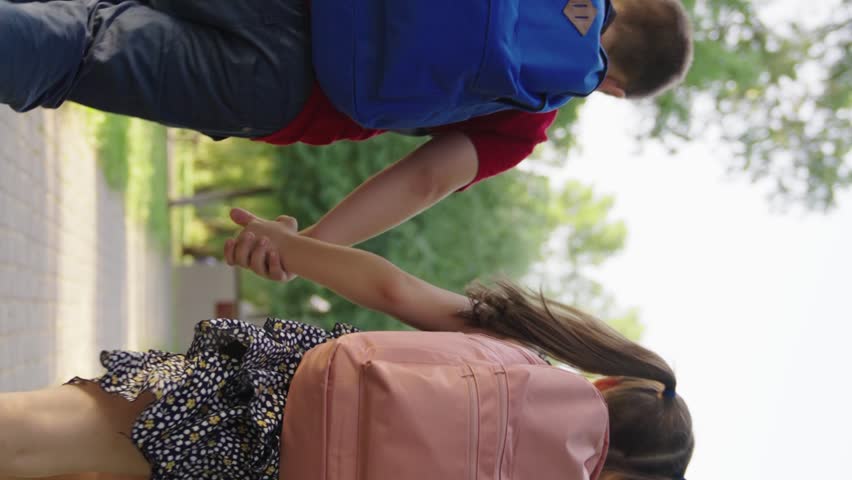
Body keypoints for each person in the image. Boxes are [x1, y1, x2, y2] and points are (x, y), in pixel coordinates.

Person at [0, 208, 694, 480]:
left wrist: (291, 248)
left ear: (609, 383)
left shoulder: (527, 356)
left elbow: (393, 292)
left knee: (43, 433)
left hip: (267, 392)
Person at [0, 0, 693, 257]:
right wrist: (307, 246)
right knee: (82, 49)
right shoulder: (531, 114)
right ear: (615, 86)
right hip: (282, 89)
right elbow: (424, 179)